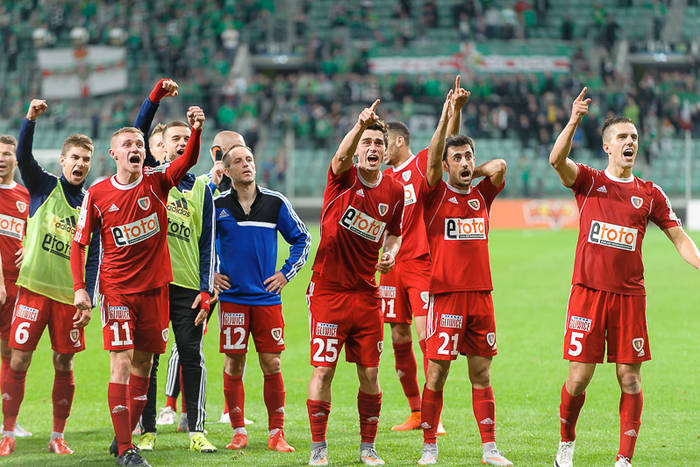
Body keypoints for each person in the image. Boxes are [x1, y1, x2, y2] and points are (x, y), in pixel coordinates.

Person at [549, 88, 700, 467]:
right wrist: (574, 120)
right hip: (588, 293)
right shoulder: (588, 181)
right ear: (607, 147)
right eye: (622, 137)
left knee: (629, 379)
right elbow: (556, 160)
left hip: (630, 297)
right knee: (578, 378)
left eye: (633, 136)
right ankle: (566, 444)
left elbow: (680, 238)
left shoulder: (650, 193)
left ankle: (624, 459)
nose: (630, 141)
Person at [71, 105, 205, 467]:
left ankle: (123, 436)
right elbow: (79, 243)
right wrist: (81, 288)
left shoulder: (157, 183)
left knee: (144, 364)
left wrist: (195, 131)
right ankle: (127, 449)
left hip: (155, 291)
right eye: (128, 145)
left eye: (140, 145)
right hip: (116, 291)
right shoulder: (97, 194)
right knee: (121, 361)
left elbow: (187, 161)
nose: (135, 149)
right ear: (113, 154)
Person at [418, 84, 512, 466]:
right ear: (445, 165)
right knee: (436, 374)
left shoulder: (480, 196)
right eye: (457, 158)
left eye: (468, 156)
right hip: (446, 297)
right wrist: (449, 116)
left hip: (481, 297)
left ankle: (490, 449)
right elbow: (433, 161)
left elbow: (500, 166)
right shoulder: (435, 196)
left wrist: (472, 170)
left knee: (482, 374)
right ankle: (429, 447)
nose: (465, 162)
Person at [306, 100, 404, 466]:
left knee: (371, 372)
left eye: (379, 143)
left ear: (386, 151)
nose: (373, 148)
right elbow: (341, 155)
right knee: (323, 370)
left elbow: (394, 233)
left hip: (366, 294)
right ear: (358, 148)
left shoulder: (394, 191)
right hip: (328, 291)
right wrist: (359, 125)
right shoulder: (342, 177)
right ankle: (319, 449)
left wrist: (390, 252)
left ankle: (368, 448)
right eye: (367, 142)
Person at [0, 100, 100, 457]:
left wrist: (88, 297)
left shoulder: (92, 204)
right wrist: (30, 120)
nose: (79, 164)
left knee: (64, 363)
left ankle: (58, 436)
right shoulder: (44, 187)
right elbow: (24, 157)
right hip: (32, 291)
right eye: (74, 158)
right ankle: (8, 432)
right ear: (62, 160)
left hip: (68, 299)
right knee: (18, 361)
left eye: (85, 159)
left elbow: (94, 256)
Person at [128, 80, 217, 453]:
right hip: (152, 284)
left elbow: (207, 243)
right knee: (147, 358)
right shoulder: (151, 177)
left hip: (186, 287)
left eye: (186, 138)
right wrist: (154, 98)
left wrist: (206, 290)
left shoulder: (202, 190)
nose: (181, 143)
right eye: (174, 138)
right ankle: (147, 430)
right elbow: (137, 129)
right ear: (160, 147)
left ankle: (196, 430)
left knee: (192, 356)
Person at [214, 143, 310, 453]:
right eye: (239, 161)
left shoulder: (275, 202)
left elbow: (303, 239)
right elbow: (201, 244)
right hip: (232, 299)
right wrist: (210, 274)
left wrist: (285, 273)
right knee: (234, 363)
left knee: (272, 363)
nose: (247, 165)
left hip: (267, 299)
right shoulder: (216, 205)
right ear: (227, 171)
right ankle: (238, 431)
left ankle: (276, 433)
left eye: (250, 159)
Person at [380, 92, 460, 432]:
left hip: (422, 264)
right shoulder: (382, 179)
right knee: (399, 336)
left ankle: (433, 415)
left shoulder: (421, 164)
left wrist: (453, 111)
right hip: (390, 266)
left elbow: (447, 141)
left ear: (400, 141)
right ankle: (416, 411)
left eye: (384, 142)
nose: (380, 150)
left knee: (427, 335)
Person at [0, 135, 29, 440]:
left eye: (7, 154)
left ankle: (9, 420)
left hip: (15, 284)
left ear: (16, 160)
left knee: (10, 353)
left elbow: (32, 234)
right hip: (0, 283)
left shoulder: (24, 196)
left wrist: (28, 248)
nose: (1, 159)